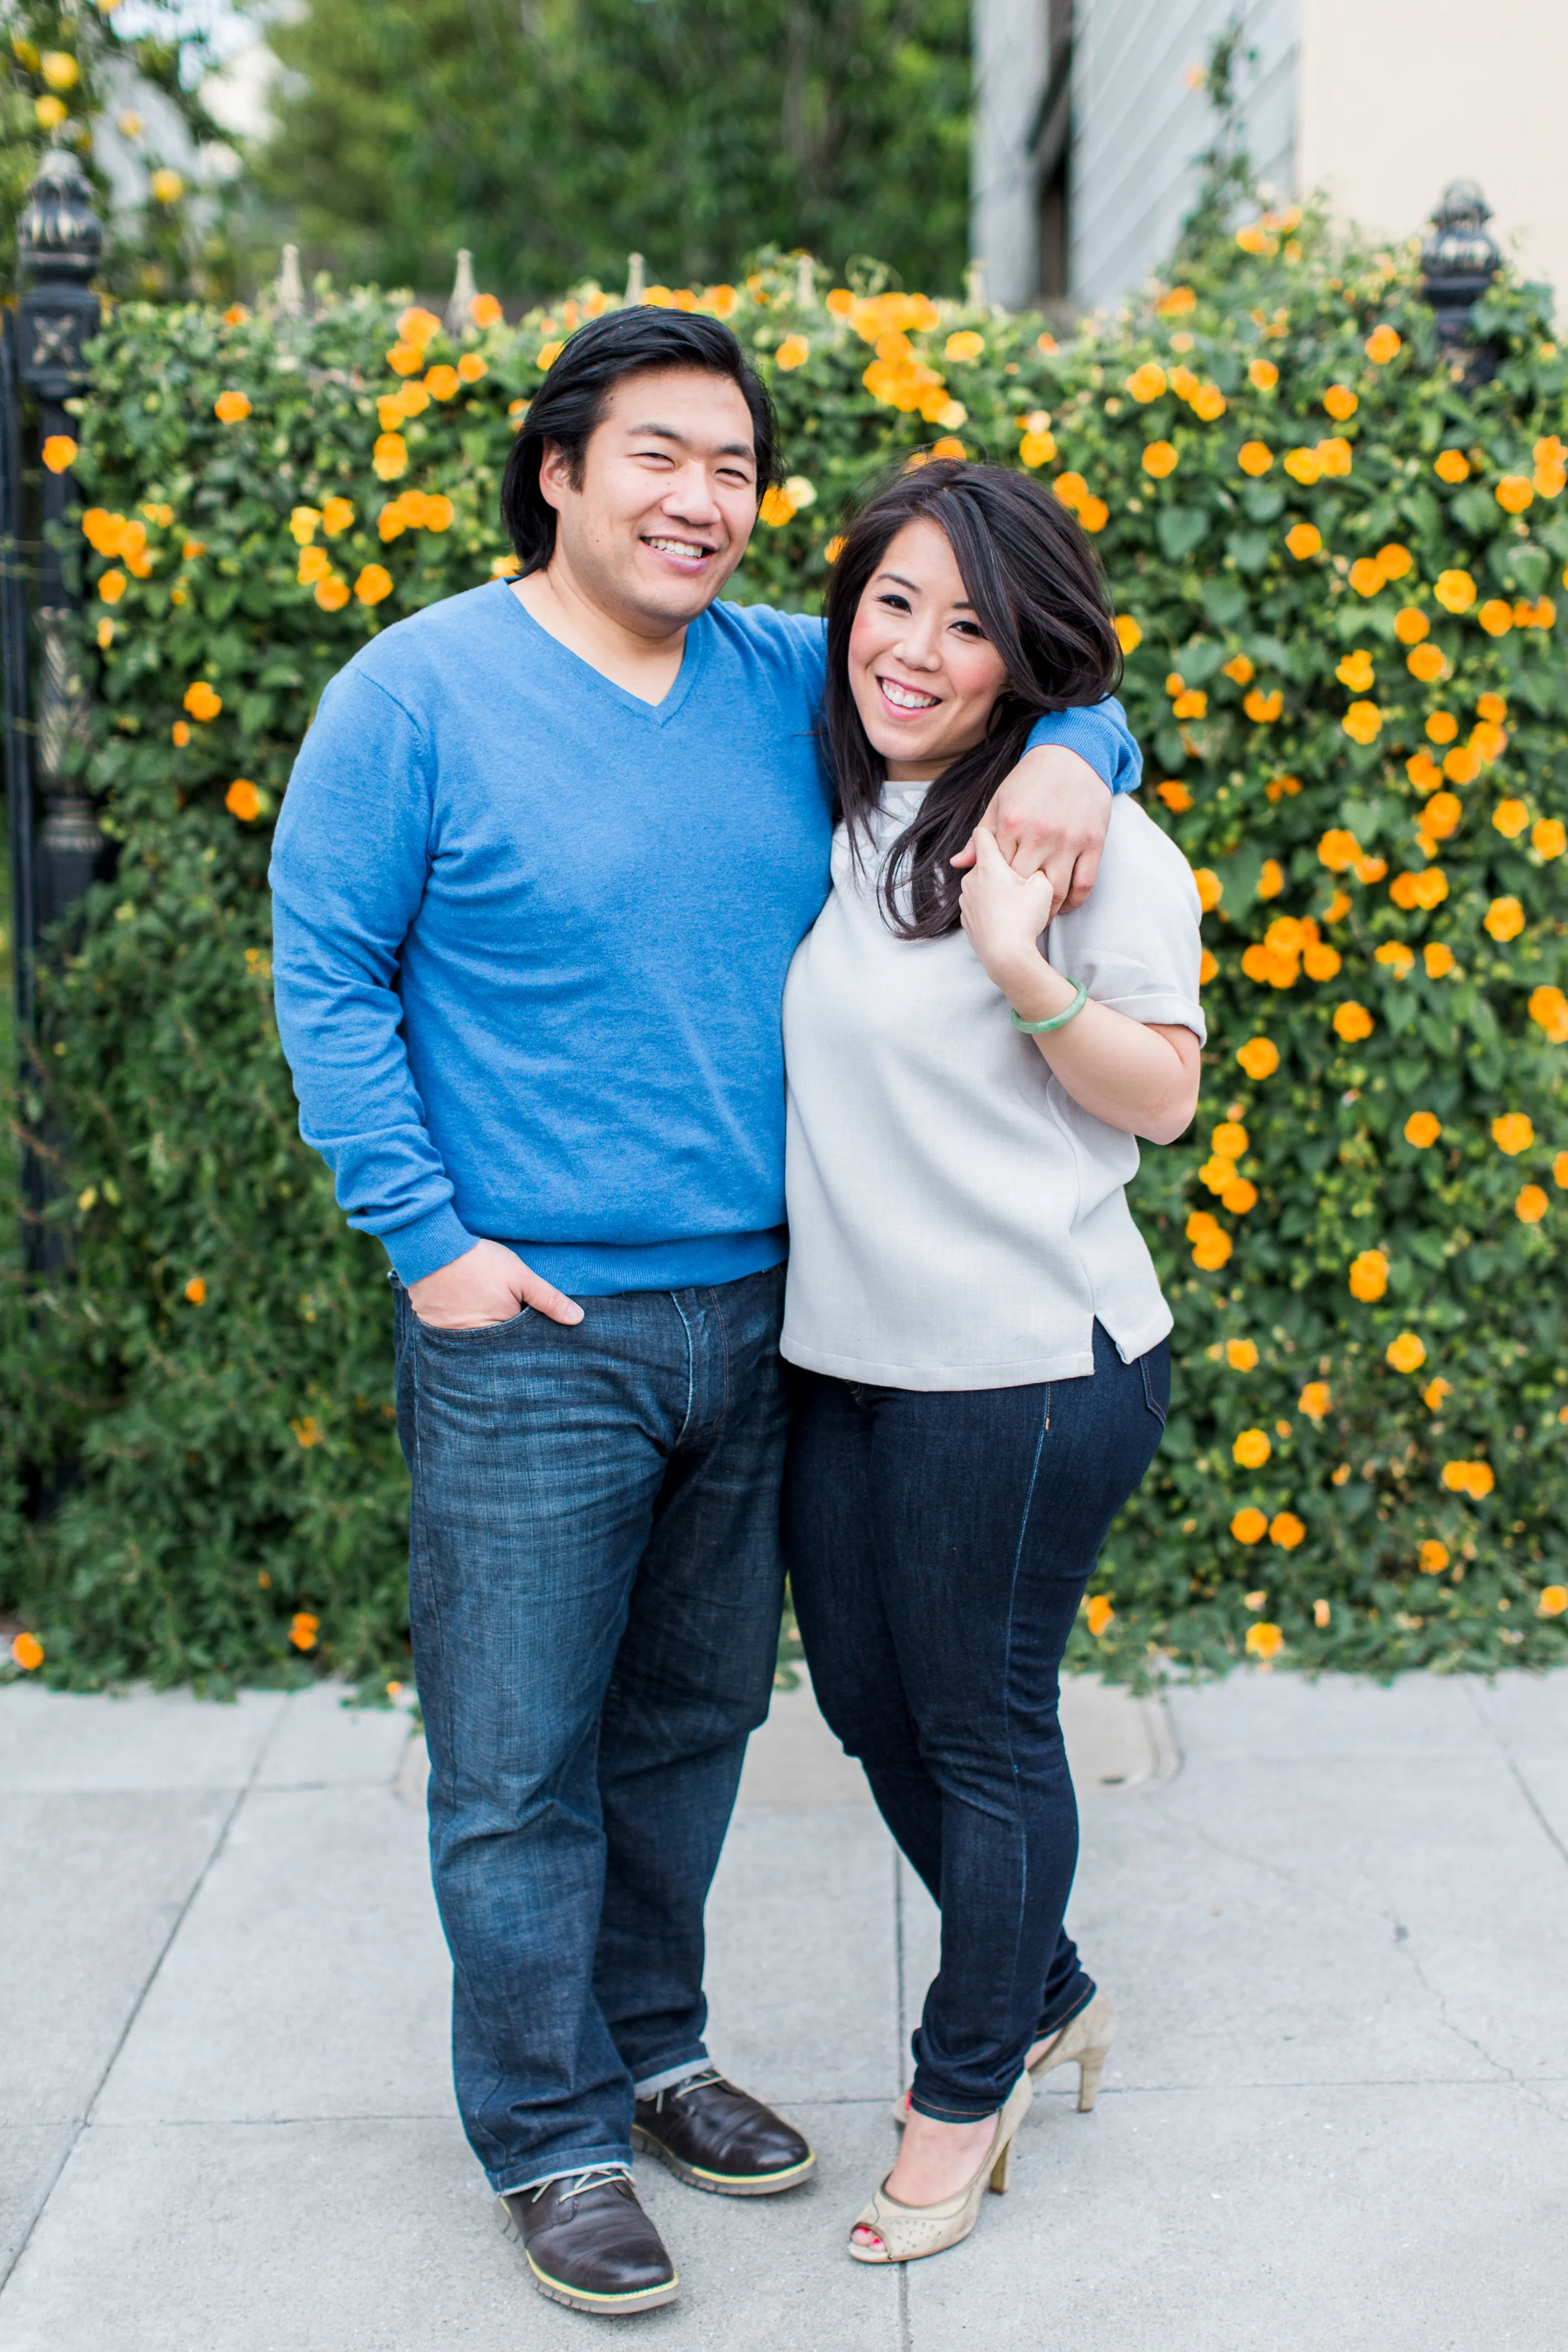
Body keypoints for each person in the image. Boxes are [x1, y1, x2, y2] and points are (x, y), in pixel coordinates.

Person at [268, 309, 1142, 2318]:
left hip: (764, 1318)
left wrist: (1088, 751)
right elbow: (328, 979)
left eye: (737, 469)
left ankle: (653, 2053)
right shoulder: (413, 697)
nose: (706, 500)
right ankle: (547, 2130)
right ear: (557, 468)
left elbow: (1022, 688)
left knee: (687, 1724)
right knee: (511, 1759)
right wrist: (426, 1242)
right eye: (659, 454)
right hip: (531, 1329)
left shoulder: (782, 679)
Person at [781, 458, 1202, 2266]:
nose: (919, 647)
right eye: (893, 599)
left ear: (1026, 656)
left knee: (979, 1718)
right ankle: (1043, 1987)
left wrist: (1023, 960)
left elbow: (1162, 1094)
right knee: (873, 1711)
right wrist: (1086, 727)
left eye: (971, 623)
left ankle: (967, 2080)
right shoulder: (833, 798)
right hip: (847, 1357)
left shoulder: (1069, 837)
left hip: (1027, 1361)